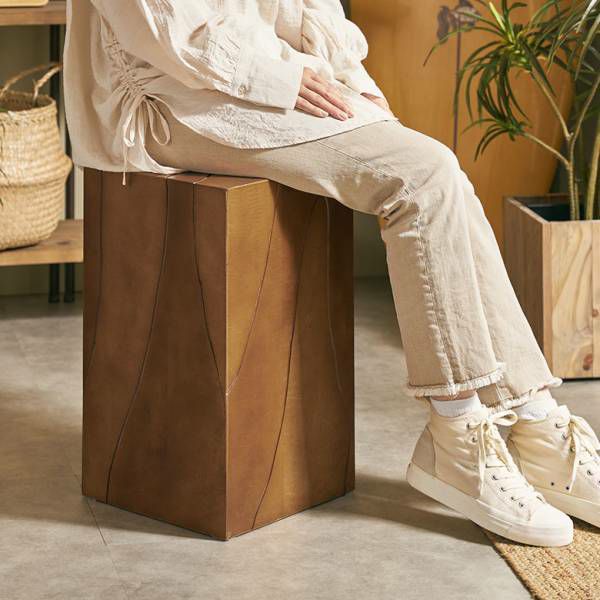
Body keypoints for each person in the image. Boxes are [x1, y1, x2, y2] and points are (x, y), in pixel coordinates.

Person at [64, 0, 600, 547]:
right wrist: (280, 76)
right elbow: (166, 29)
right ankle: (458, 432)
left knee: (440, 176)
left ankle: (536, 424)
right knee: (421, 177)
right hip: (165, 99)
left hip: (258, 78)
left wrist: (352, 80)